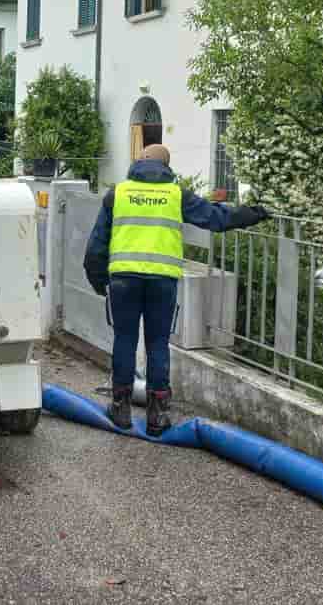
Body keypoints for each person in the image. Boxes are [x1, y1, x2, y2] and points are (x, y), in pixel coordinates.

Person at [83, 144, 269, 436]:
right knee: (158, 342)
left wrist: (97, 280)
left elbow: (96, 245)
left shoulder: (117, 194)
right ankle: (158, 416)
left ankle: (120, 409)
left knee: (125, 339)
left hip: (123, 281)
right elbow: (217, 218)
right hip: (162, 282)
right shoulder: (176, 195)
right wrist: (254, 213)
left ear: (138, 162)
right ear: (167, 166)